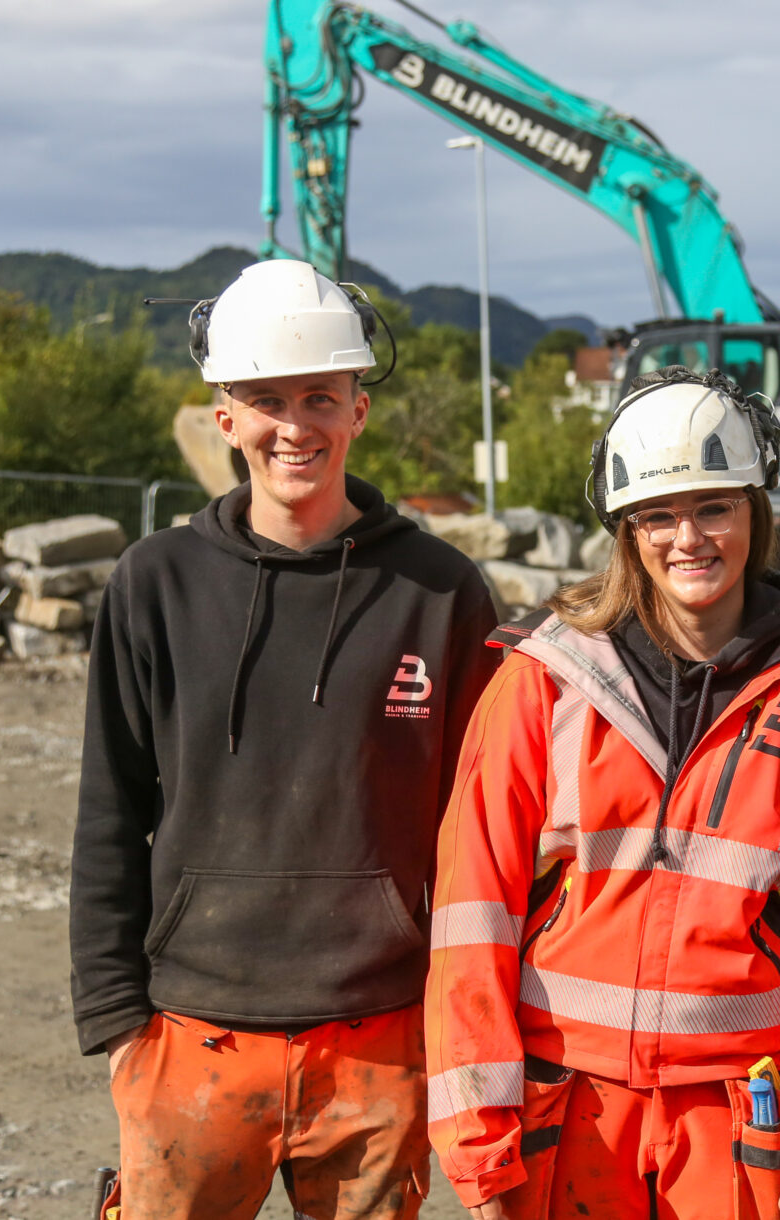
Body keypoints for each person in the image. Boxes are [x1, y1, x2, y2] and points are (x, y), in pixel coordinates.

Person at [69, 258, 498, 1220]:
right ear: (225, 416)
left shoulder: (442, 591)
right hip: (192, 1034)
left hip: (382, 1035)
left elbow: (485, 833)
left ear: (360, 410)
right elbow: (111, 807)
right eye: (266, 400)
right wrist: (117, 1023)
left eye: (319, 397)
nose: (293, 427)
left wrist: (466, 1019)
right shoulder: (156, 582)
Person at [425, 368, 780, 1220]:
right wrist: (477, 1142)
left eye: (714, 506)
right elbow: (472, 914)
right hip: (566, 1111)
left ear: (754, 511)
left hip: (740, 1118)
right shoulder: (545, 681)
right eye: (657, 515)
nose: (689, 537)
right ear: (625, 530)